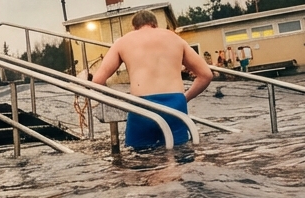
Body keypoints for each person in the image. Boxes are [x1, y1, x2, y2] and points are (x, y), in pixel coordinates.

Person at [90, 10, 213, 149]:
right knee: (179, 155)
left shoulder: (123, 42)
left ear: (134, 27)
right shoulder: (175, 39)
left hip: (141, 106)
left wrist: (120, 101)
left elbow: (97, 81)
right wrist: (185, 98)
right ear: (155, 24)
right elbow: (206, 75)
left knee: (140, 158)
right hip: (175, 105)